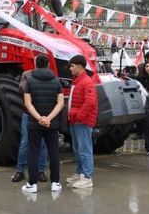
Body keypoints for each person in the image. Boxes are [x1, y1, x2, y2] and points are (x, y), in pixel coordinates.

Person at [21, 55, 65, 194]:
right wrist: (49, 119)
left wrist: (40, 118)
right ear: (48, 65)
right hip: (52, 124)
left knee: (33, 151)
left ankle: (32, 184)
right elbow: (60, 103)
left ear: (35, 64)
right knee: (53, 152)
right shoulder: (56, 81)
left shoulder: (30, 81)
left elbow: (28, 103)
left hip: (34, 123)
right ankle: (55, 183)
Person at [66, 55, 97, 189]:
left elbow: (90, 102)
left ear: (79, 66)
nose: (70, 69)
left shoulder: (86, 82)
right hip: (75, 120)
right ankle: (80, 173)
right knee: (78, 149)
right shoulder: (78, 81)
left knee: (84, 149)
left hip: (82, 121)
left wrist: (79, 116)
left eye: (72, 66)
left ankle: (87, 177)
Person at [12, 67, 48, 184]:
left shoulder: (49, 76)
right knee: (25, 143)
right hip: (28, 114)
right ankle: (20, 170)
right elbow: (22, 88)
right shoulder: (27, 75)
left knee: (42, 144)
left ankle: (40, 171)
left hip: (43, 113)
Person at [135, 62, 149, 155]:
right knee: (147, 125)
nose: (148, 68)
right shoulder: (140, 78)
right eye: (146, 66)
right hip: (145, 104)